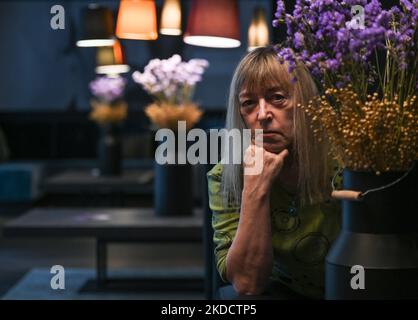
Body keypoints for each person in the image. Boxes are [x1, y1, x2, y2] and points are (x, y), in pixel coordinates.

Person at [207, 46, 341, 300]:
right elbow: (247, 284)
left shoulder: (345, 164)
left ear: (304, 102)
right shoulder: (225, 176)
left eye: (277, 98)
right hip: (282, 291)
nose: (263, 114)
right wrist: (255, 190)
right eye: (248, 103)